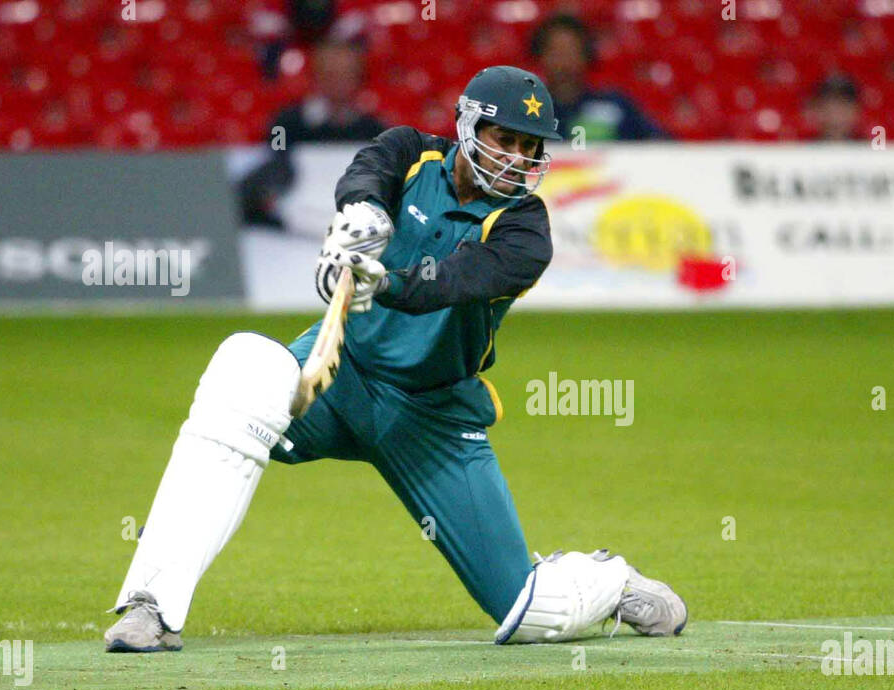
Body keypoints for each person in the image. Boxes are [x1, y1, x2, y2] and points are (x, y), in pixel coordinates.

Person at [104, 65, 687, 652]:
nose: (515, 158)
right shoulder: (409, 151)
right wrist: (362, 220)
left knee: (530, 613)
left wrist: (382, 282)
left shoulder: (525, 230)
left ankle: (609, 582)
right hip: (340, 375)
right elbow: (366, 173)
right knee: (245, 372)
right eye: (503, 139)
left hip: (433, 417)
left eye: (528, 147)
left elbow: (455, 282)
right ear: (466, 126)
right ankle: (150, 606)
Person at [239, 39, 385, 227]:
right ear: (316, 76)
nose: (339, 82)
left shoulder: (375, 130)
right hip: (293, 226)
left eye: (347, 74)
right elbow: (272, 165)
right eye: (331, 74)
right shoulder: (284, 124)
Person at [529, 13, 664, 141]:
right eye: (556, 53)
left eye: (572, 52)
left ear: (586, 55)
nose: (564, 63)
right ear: (540, 57)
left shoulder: (615, 105)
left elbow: (662, 145)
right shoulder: (524, 111)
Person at [807, 75, 863, 141]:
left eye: (842, 109)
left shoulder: (869, 149)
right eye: (829, 108)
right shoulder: (800, 149)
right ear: (818, 110)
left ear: (855, 111)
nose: (835, 117)